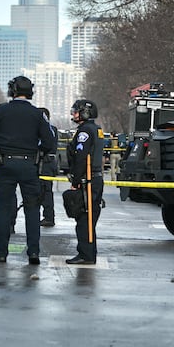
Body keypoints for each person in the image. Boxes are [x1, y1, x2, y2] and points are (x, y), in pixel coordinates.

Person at [0, 76, 56, 264]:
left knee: (4, 209)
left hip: (5, 164)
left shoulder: (1, 111)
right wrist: (39, 152)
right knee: (32, 210)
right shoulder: (38, 114)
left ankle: (1, 253)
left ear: (12, 91)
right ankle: (33, 252)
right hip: (29, 165)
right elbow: (50, 141)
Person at [66, 99, 103, 264]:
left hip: (88, 179)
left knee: (84, 218)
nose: (73, 114)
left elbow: (81, 156)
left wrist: (75, 179)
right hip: (94, 179)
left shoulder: (85, 131)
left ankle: (86, 254)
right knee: (88, 216)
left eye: (76, 111)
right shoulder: (94, 129)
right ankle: (88, 252)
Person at [38, 108, 58, 228]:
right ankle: (47, 216)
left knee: (45, 191)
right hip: (46, 163)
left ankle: (49, 217)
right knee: (43, 190)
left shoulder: (48, 129)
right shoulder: (50, 129)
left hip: (46, 163)